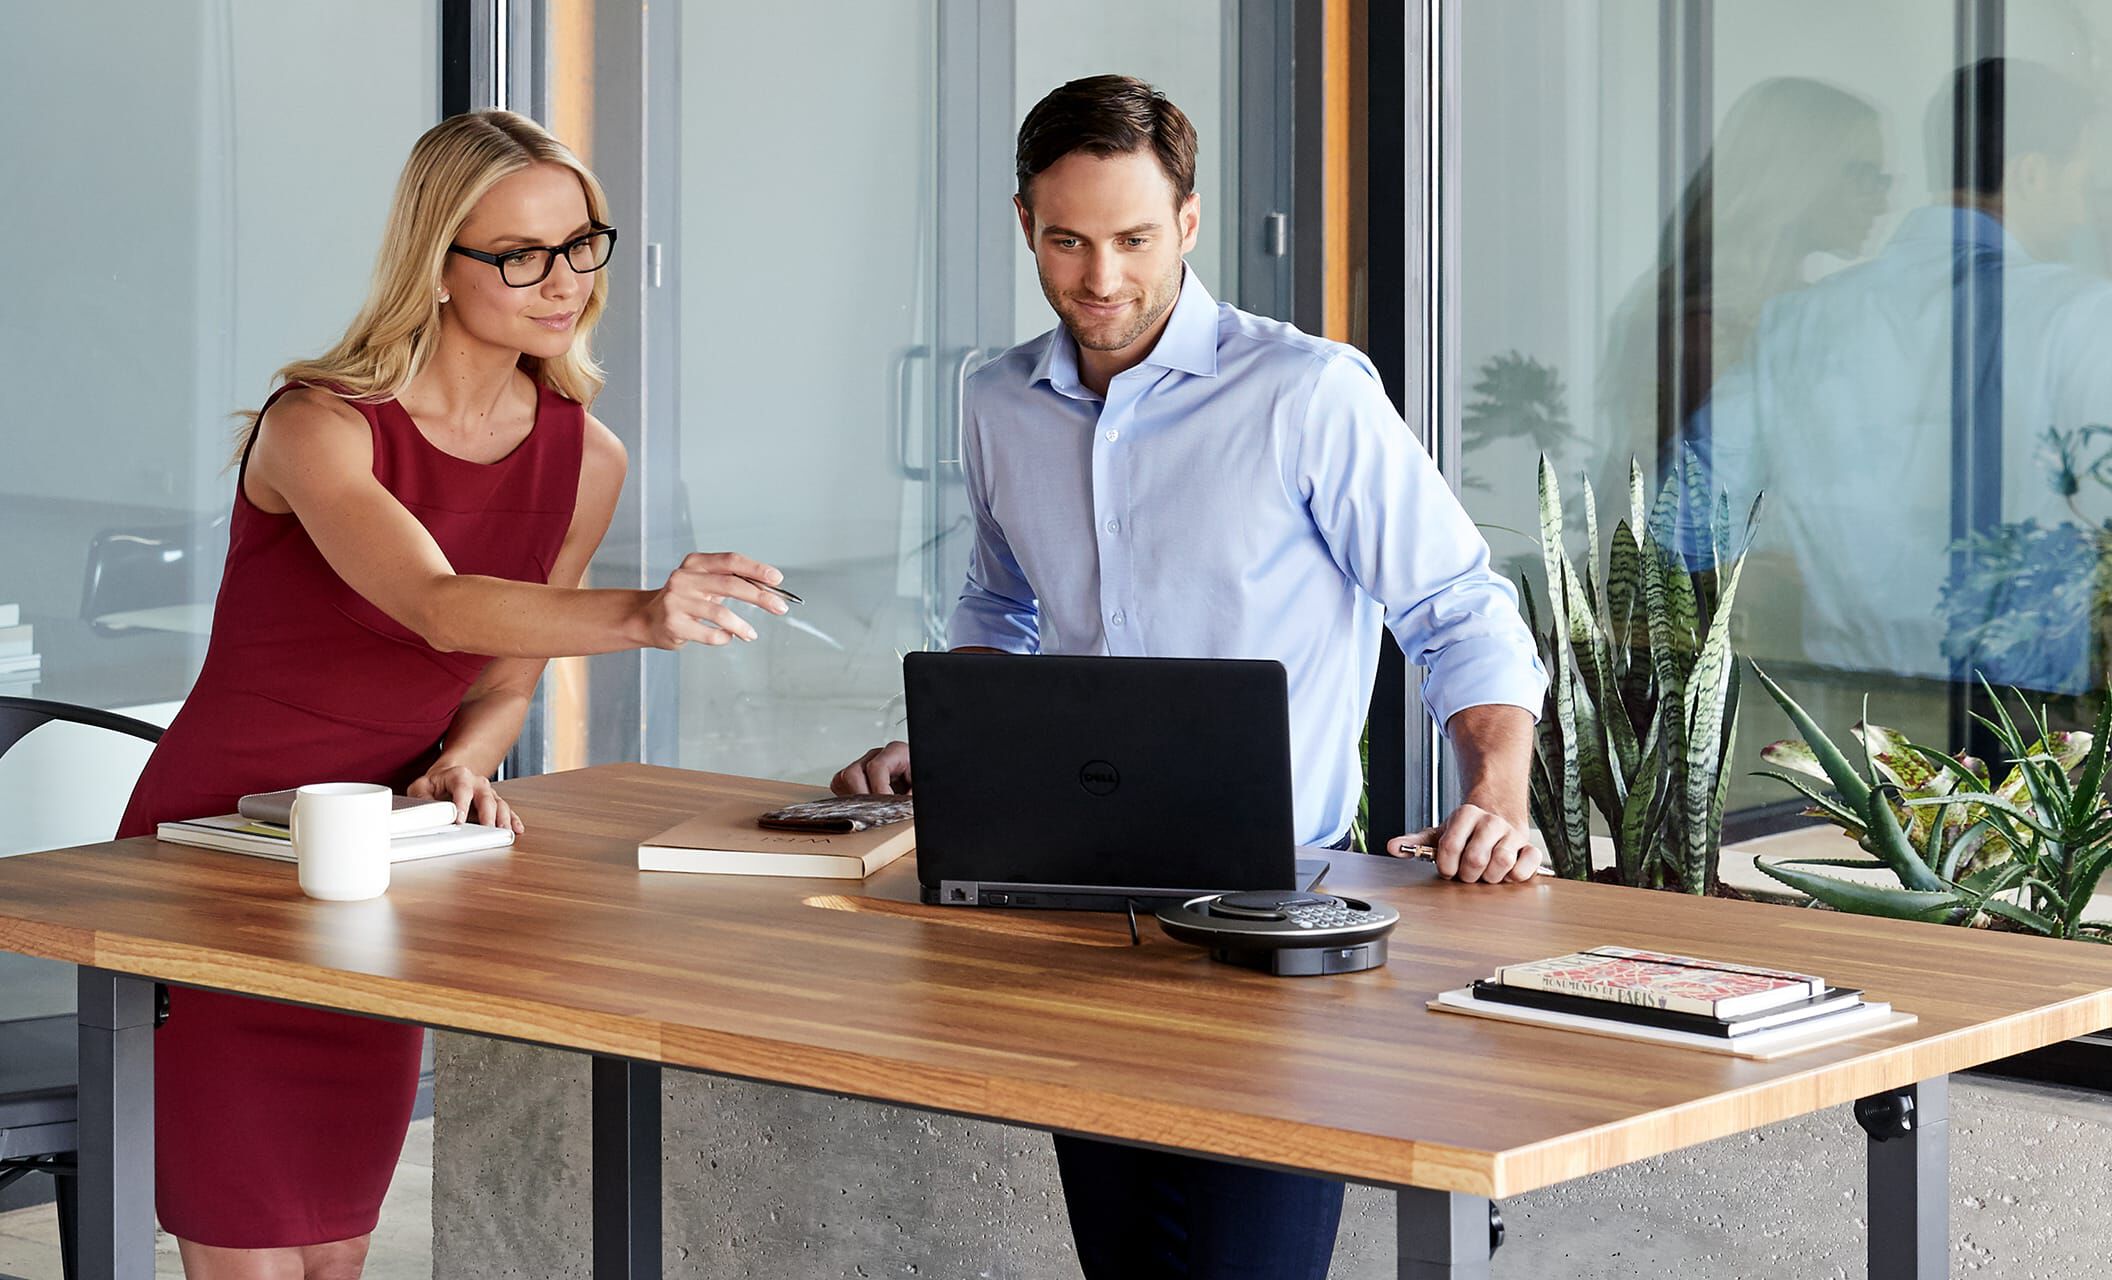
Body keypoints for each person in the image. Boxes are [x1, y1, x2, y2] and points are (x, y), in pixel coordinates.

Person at [832, 75, 1547, 1279]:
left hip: (1282, 919)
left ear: (1191, 224)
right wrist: (950, 734)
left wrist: (1501, 788)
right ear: (1026, 225)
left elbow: (1456, 603)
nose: (1099, 278)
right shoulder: (997, 400)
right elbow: (1001, 606)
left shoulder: (1307, 393)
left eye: (1132, 239)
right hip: (1071, 911)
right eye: (1067, 240)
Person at [116, 110, 787, 1279]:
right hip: (222, 847)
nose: (563, 281)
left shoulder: (589, 453)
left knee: (339, 1246)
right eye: (520, 254)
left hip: (383, 859)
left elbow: (503, 671)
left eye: (583, 245)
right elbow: (434, 602)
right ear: (437, 262)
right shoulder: (316, 423)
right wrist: (640, 615)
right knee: (248, 1249)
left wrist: (472, 753)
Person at [1702, 58, 2112, 694]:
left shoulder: (1798, 319)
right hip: (2030, 735)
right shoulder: (2083, 315)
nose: (2090, 209)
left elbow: (1695, 520)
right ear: (2031, 172)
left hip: (1842, 722)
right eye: (2085, 182)